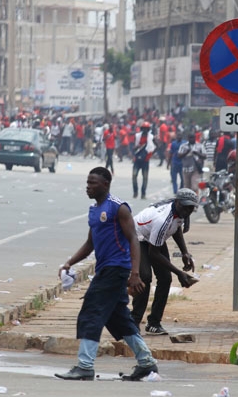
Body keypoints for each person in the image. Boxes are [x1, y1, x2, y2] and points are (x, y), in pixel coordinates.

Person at [55, 167, 159, 381]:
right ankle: (147, 363)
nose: (88, 186)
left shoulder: (118, 208)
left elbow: (133, 239)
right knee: (119, 319)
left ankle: (85, 366)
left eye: (93, 183)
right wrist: (69, 262)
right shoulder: (94, 211)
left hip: (116, 269)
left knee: (91, 313)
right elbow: (90, 243)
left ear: (105, 184)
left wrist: (135, 273)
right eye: (87, 182)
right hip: (104, 268)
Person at [130, 189, 200, 335]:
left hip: (154, 237)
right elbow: (153, 254)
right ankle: (133, 321)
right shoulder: (162, 219)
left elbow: (176, 228)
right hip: (138, 238)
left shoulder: (181, 212)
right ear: (177, 202)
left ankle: (154, 323)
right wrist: (179, 273)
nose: (187, 211)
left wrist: (184, 252)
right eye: (185, 207)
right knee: (145, 277)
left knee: (165, 278)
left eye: (190, 208)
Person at [132, 122, 155, 199]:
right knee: (134, 175)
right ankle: (135, 191)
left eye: (146, 129)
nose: (145, 130)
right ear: (142, 129)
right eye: (143, 128)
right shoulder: (137, 136)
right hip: (137, 159)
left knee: (145, 177)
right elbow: (134, 147)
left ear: (148, 129)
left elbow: (156, 146)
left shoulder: (151, 137)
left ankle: (143, 193)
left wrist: (151, 153)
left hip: (145, 160)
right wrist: (136, 147)